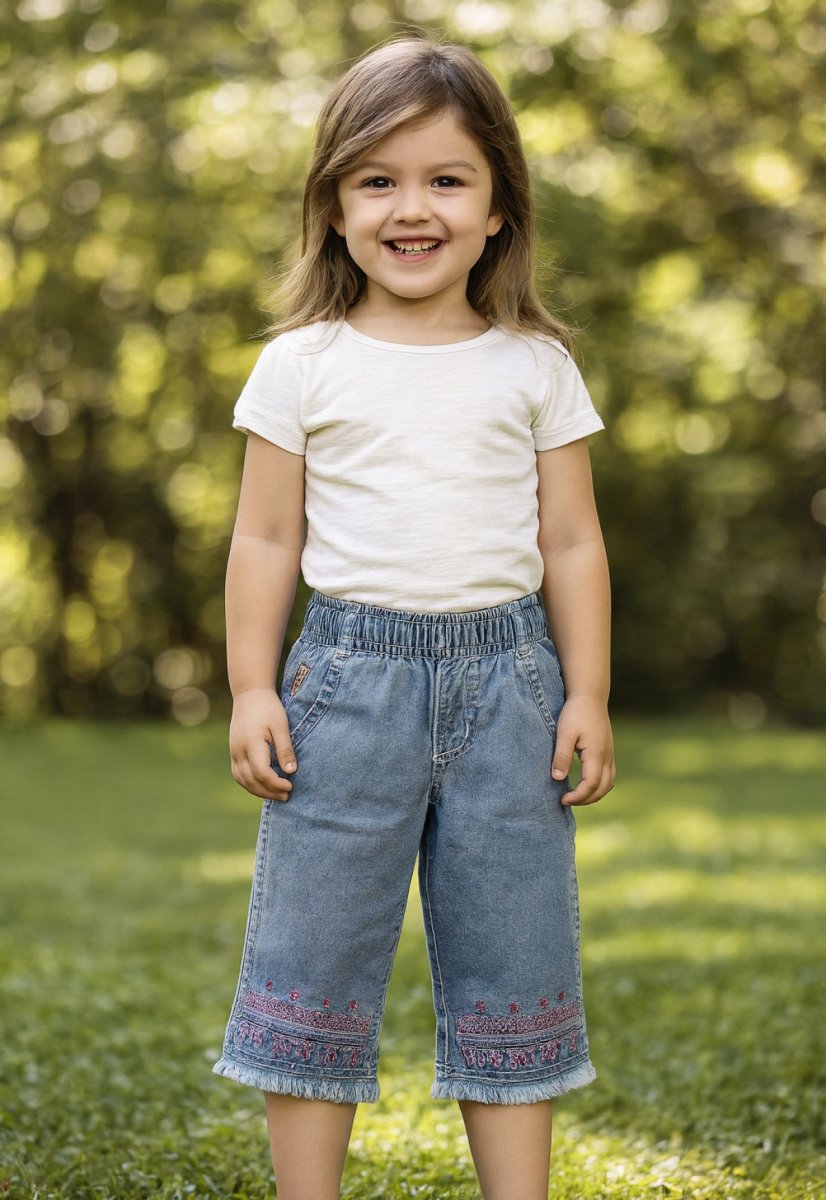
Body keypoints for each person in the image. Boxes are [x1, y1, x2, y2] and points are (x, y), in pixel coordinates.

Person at [212, 33, 616, 1200]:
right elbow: (265, 538)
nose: (412, 207)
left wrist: (584, 690)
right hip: (345, 684)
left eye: (447, 178)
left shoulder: (534, 366)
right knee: (314, 952)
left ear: (498, 207)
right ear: (334, 205)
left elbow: (573, 540)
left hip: (511, 691)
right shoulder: (301, 365)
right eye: (377, 179)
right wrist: (251, 685)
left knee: (516, 952)